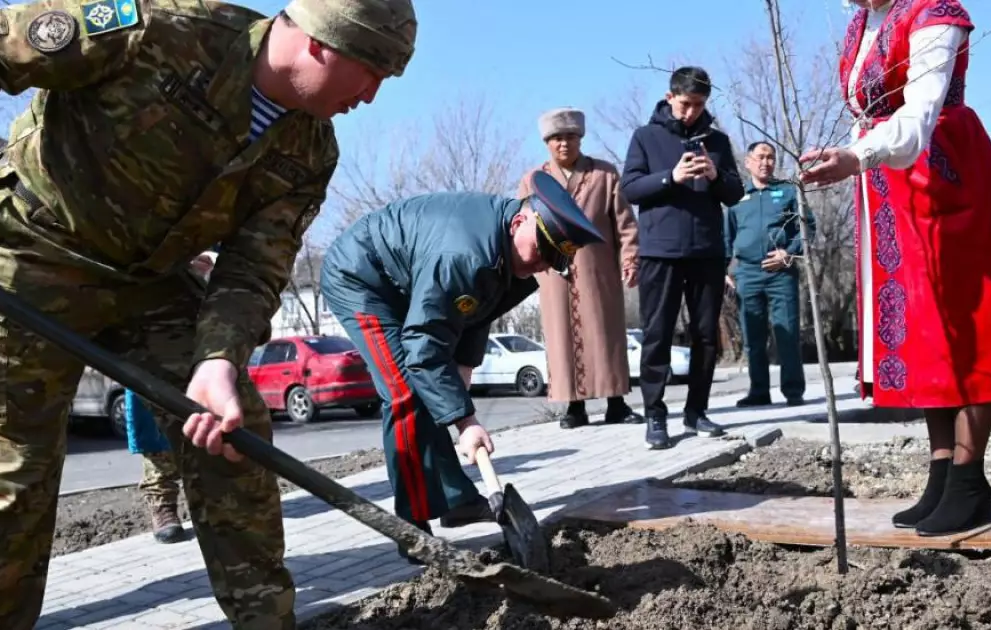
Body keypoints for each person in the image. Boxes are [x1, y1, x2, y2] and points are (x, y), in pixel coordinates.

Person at [0, 1, 418, 628]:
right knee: (8, 481)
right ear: (322, 44)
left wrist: (217, 360)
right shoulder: (160, 30)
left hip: (150, 279)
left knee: (231, 436)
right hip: (33, 253)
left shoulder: (310, 150)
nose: (371, 96)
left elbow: (253, 267)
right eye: (373, 73)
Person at [800, 0, 991, 537]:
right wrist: (852, 155)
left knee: (966, 325)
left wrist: (858, 155)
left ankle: (969, 479)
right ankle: (942, 470)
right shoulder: (864, 21)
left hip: (945, 174)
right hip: (889, 186)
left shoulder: (935, 13)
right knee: (924, 334)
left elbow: (922, 107)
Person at [319, 170, 605, 563]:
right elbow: (423, 348)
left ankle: (455, 501)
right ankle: (412, 528)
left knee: (433, 390)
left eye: (551, 260)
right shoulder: (465, 255)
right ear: (519, 221)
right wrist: (466, 423)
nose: (542, 264)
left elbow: (476, 308)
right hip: (361, 278)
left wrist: (464, 368)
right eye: (541, 250)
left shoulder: (503, 251)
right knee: (404, 393)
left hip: (408, 282)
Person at [620, 66, 745, 451]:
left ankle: (697, 411)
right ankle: (655, 414)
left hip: (707, 252)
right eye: (685, 103)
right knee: (657, 334)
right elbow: (630, 189)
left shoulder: (718, 141)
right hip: (660, 252)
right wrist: (670, 177)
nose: (691, 112)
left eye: (699, 105)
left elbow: (735, 194)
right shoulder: (645, 137)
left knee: (706, 335)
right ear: (670, 97)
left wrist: (715, 176)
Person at [517, 108, 643, 429]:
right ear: (547, 142)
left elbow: (625, 222)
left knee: (606, 333)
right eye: (557, 138)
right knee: (562, 336)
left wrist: (630, 258)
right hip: (553, 273)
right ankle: (574, 407)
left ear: (580, 139)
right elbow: (521, 225)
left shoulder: (604, 174)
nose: (564, 144)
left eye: (570, 137)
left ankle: (616, 403)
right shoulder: (533, 180)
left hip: (598, 269)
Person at [127, 250, 217, 545]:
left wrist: (203, 263)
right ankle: (162, 502)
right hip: (143, 325)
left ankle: (214, 501)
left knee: (208, 422)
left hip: (192, 325)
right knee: (154, 426)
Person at [723, 141, 815, 408]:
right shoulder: (736, 196)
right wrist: (723, 270)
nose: (766, 162)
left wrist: (790, 252)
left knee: (787, 332)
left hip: (781, 273)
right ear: (748, 162)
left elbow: (807, 226)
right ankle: (759, 391)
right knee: (753, 336)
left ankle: (793, 391)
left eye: (771, 157)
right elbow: (726, 236)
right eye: (760, 157)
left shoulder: (788, 191)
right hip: (747, 274)